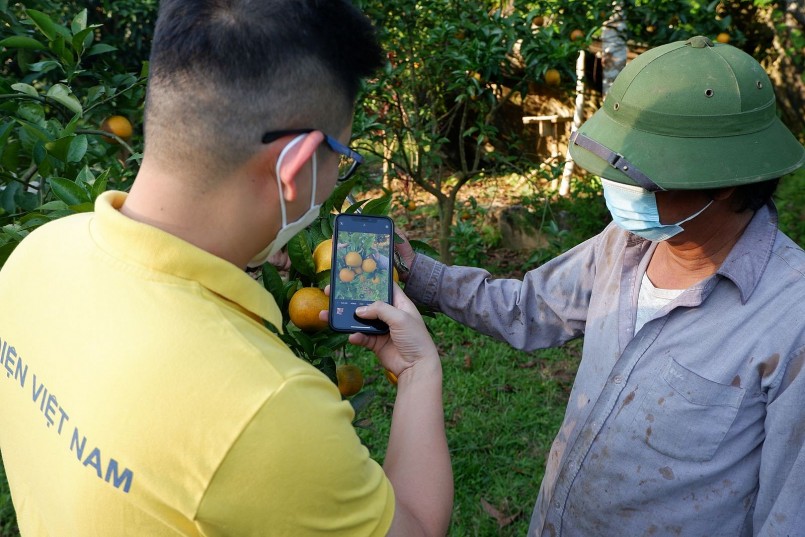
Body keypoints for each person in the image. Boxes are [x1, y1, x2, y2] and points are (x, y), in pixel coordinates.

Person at [0, 1, 452, 535]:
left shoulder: (37, 253)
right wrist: (420, 374)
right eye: (342, 158)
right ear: (297, 165)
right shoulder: (265, 407)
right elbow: (417, 527)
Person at [395, 36, 805, 536]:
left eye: (641, 173)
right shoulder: (625, 244)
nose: (618, 186)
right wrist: (417, 273)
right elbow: (529, 308)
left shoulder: (791, 321)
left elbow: (788, 513)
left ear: (725, 183)